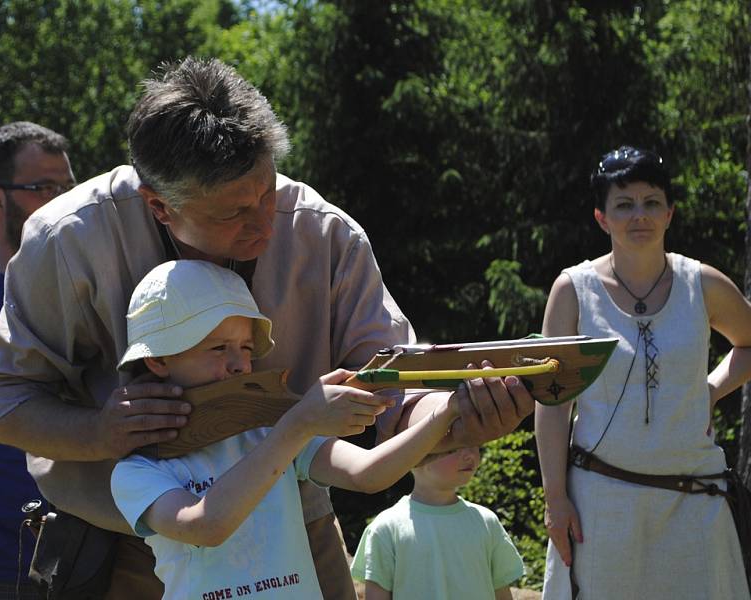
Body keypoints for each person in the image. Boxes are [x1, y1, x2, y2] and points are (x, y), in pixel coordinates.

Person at [0, 56, 534, 599]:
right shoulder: (66, 240)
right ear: (159, 206)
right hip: (126, 548)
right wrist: (99, 432)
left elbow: (394, 384)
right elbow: (3, 405)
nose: (266, 221)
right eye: (232, 213)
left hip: (298, 536)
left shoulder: (324, 233)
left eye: (267, 189)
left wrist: (454, 412)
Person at [111, 258, 463, 599]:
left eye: (246, 348)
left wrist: (450, 408)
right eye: (218, 348)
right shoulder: (137, 470)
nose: (240, 364)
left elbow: (367, 474)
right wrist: (297, 424)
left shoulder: (270, 433)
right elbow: (205, 526)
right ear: (158, 360)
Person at [535, 145, 751, 599]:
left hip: (693, 503)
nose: (640, 215)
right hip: (601, 504)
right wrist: (556, 499)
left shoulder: (702, 285)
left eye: (652, 202)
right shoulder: (574, 291)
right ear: (602, 217)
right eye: (625, 204)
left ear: (670, 214)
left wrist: (712, 388)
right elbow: (553, 403)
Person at [0, 122, 75, 599]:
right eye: (43, 188)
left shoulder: (94, 292)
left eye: (68, 186)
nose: (64, 201)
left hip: (92, 565)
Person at [351, 440, 524, 600]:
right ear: (415, 455)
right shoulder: (386, 528)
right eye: (453, 448)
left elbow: (501, 593)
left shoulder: (486, 521)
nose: (469, 454)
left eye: (473, 443)